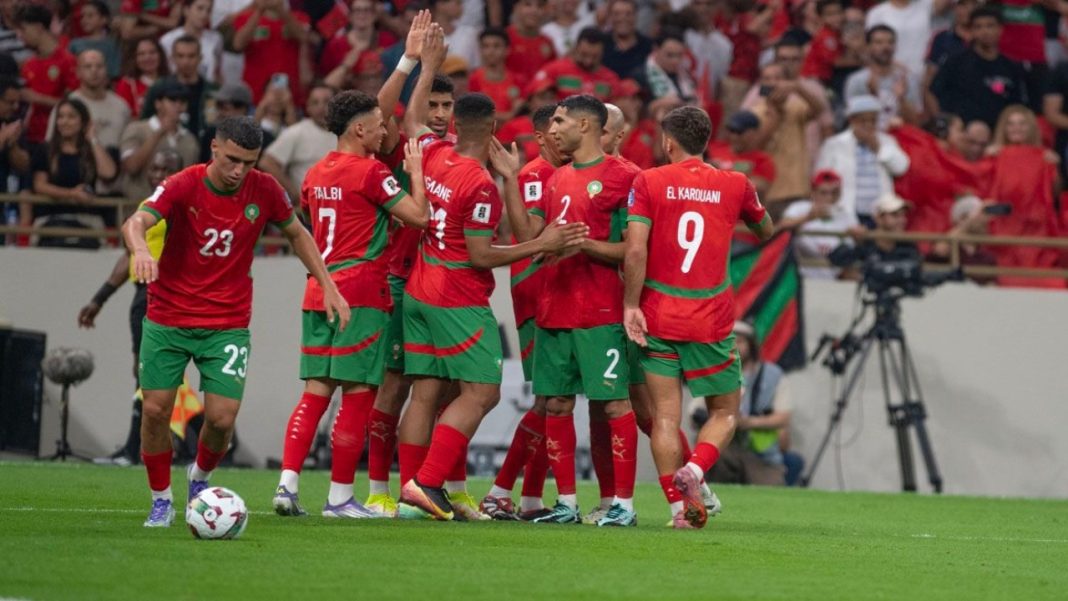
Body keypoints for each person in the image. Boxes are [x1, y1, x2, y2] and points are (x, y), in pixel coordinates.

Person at [123, 115, 348, 528]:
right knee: (155, 410)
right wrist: (139, 249)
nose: (238, 170)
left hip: (226, 322)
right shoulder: (182, 184)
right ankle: (160, 500)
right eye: (231, 160)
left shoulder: (265, 189)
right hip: (168, 316)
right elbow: (135, 221)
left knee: (222, 419)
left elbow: (297, 234)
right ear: (214, 148)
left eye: (248, 162)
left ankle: (199, 478)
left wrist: (327, 283)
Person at [395, 43, 588, 522]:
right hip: (456, 296)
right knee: (483, 392)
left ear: (455, 125)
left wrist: (426, 68)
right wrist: (543, 242)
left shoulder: (433, 152)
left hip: (419, 289)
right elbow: (481, 254)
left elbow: (412, 118)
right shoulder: (479, 185)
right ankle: (428, 483)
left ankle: (410, 494)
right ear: (494, 129)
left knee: (425, 393)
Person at [271, 90, 430, 519]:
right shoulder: (372, 172)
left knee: (315, 391)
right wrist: (416, 174)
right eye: (379, 125)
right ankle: (340, 498)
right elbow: (419, 216)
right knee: (358, 394)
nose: (384, 132)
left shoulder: (314, 173)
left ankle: (287, 484)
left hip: (319, 290)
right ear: (359, 129)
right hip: (360, 294)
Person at [623, 105, 774, 529]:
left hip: (659, 314)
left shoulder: (648, 180)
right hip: (709, 317)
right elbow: (766, 230)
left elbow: (635, 249)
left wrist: (631, 304)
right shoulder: (736, 184)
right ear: (706, 142)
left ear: (668, 142)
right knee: (725, 412)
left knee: (665, 417)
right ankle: (696, 469)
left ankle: (679, 511)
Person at [503, 94, 640, 526]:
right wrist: (508, 180)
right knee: (557, 405)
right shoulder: (556, 178)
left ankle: (623, 506)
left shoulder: (626, 177)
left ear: (585, 125)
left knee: (614, 406)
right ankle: (566, 504)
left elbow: (634, 250)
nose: (552, 129)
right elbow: (531, 237)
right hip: (553, 309)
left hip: (599, 311)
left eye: (560, 121)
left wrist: (585, 245)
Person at [478, 103, 564, 521]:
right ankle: (499, 491)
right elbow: (529, 234)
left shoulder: (567, 173)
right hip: (536, 294)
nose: (564, 132)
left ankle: (529, 498)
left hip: (559, 295)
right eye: (557, 125)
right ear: (542, 137)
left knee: (556, 399)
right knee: (549, 399)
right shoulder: (533, 175)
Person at [77, 149, 183, 465]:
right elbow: (130, 256)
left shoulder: (180, 205)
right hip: (144, 293)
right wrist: (100, 298)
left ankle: (145, 447)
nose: (158, 174)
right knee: (144, 371)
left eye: (166, 168)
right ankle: (139, 446)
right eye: (154, 168)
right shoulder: (147, 208)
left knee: (155, 374)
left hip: (167, 293)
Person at [702, 321, 796, 486]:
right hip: (725, 448)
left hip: (761, 453)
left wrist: (748, 422)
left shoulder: (773, 375)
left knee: (771, 488)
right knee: (712, 464)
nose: (734, 346)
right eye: (730, 342)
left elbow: (783, 418)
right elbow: (696, 411)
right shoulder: (717, 372)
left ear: (751, 345)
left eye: (739, 341)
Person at [28, 97, 118, 248]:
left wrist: (93, 139)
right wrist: (71, 194)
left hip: (87, 219)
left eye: (71, 117)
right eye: (61, 117)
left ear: (83, 122)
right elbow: (39, 186)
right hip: (51, 218)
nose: (64, 122)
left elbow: (108, 173)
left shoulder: (91, 151)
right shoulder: (45, 150)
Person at [814, 95, 910, 227]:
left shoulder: (887, 141)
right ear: (852, 120)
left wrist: (878, 148)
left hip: (881, 214)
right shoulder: (834, 144)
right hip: (847, 212)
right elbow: (821, 179)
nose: (868, 125)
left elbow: (901, 168)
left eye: (872, 121)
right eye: (863, 121)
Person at [929, 7, 1028, 129]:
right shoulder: (956, 62)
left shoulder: (1012, 67)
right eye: (978, 27)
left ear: (1000, 29)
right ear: (972, 31)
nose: (984, 31)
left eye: (990, 26)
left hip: (1000, 133)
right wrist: (944, 126)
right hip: (962, 132)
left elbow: (1017, 106)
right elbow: (932, 93)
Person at [119, 80, 200, 205]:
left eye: (183, 102)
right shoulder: (136, 129)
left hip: (175, 210)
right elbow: (131, 167)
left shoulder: (190, 140)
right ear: (158, 103)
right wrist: (160, 132)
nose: (178, 106)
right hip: (137, 207)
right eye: (172, 100)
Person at [258, 83, 335, 203]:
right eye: (315, 103)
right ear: (308, 107)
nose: (321, 107)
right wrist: (294, 194)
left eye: (326, 102)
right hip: (308, 208)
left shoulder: (346, 132)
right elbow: (267, 162)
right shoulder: (297, 132)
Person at [46, 49, 131, 159]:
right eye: (87, 66)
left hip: (115, 166)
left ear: (106, 70)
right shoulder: (65, 106)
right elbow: (51, 146)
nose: (94, 71)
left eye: (99, 66)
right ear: (78, 72)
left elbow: (128, 147)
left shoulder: (121, 106)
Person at [15, 3, 79, 145]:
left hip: (59, 137)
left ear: (38, 28)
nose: (20, 35)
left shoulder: (67, 61)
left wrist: (39, 98)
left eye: (24, 29)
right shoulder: (29, 64)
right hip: (31, 137)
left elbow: (74, 104)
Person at [780, 169, 859, 278]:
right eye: (823, 193)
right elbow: (782, 226)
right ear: (813, 192)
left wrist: (859, 236)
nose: (829, 198)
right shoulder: (800, 208)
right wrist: (809, 217)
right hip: (802, 275)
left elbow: (855, 245)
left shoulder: (845, 214)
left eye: (834, 193)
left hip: (835, 277)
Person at [843, 25, 922, 129]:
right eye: (878, 42)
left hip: (900, 135)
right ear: (868, 47)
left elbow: (915, 123)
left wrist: (901, 99)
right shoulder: (856, 80)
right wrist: (872, 96)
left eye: (890, 42)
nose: (885, 47)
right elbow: (854, 122)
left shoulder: (908, 79)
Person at [141, 35, 217, 138]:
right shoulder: (159, 87)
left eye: (191, 56)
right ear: (172, 58)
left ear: (200, 58)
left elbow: (213, 122)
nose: (186, 61)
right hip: (168, 143)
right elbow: (145, 121)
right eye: (181, 56)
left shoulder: (211, 91)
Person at [532, 27, 620, 102]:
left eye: (595, 57)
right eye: (584, 54)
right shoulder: (554, 70)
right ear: (575, 48)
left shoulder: (610, 79)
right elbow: (533, 95)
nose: (588, 61)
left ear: (603, 53)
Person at [707, 110, 776, 199]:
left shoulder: (762, 161)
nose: (734, 136)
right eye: (732, 130)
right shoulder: (714, 148)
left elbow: (758, 189)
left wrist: (720, 173)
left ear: (754, 133)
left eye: (739, 132)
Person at [160, 0, 224, 84]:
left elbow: (218, 70)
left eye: (209, 10)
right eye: (200, 8)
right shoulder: (168, 40)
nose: (204, 14)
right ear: (186, 10)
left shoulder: (216, 38)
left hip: (207, 89)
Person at [468, 27, 522, 121]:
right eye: (486, 46)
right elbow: (474, 114)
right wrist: (509, 115)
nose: (491, 51)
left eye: (496, 46)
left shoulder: (518, 81)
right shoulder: (473, 79)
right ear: (480, 50)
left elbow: (519, 114)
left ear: (507, 50)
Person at [505, 0, 556, 90]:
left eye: (539, 6)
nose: (534, 10)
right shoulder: (504, 38)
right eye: (527, 4)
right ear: (516, 8)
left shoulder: (548, 42)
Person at [114, 38, 169, 117]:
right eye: (141, 54)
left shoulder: (171, 81)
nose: (147, 57)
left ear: (160, 55)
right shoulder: (126, 84)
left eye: (152, 52)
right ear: (134, 58)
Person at [69, 0, 121, 79]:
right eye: (82, 16)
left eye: (90, 16)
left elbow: (114, 72)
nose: (84, 20)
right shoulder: (75, 44)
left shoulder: (111, 45)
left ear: (104, 19)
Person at [603, 0, 652, 80]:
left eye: (628, 14)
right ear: (610, 17)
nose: (622, 18)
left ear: (636, 16)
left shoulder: (648, 46)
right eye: (617, 14)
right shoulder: (600, 43)